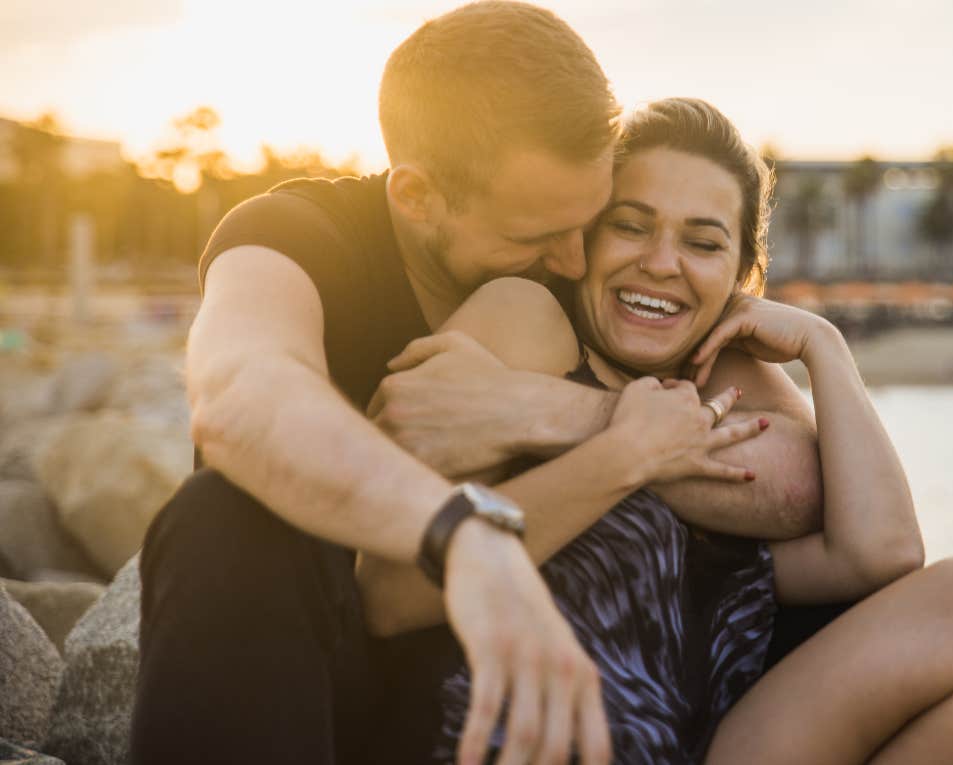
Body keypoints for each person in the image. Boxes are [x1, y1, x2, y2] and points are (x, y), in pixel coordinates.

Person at [129, 5, 822, 765]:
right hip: (327, 674)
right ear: (417, 196)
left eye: (588, 222)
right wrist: (454, 530)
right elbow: (239, 395)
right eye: (536, 235)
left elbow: (791, 465)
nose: (571, 261)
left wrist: (569, 412)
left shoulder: (578, 268)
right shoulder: (298, 237)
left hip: (533, 693)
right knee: (224, 518)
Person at [359, 98, 953, 764]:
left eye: (702, 242)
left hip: (708, 742)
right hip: (530, 739)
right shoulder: (527, 324)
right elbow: (387, 593)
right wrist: (621, 451)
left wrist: (824, 345)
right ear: (580, 240)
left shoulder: (726, 400)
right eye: (630, 225)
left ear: (740, 278)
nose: (660, 262)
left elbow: (881, 553)